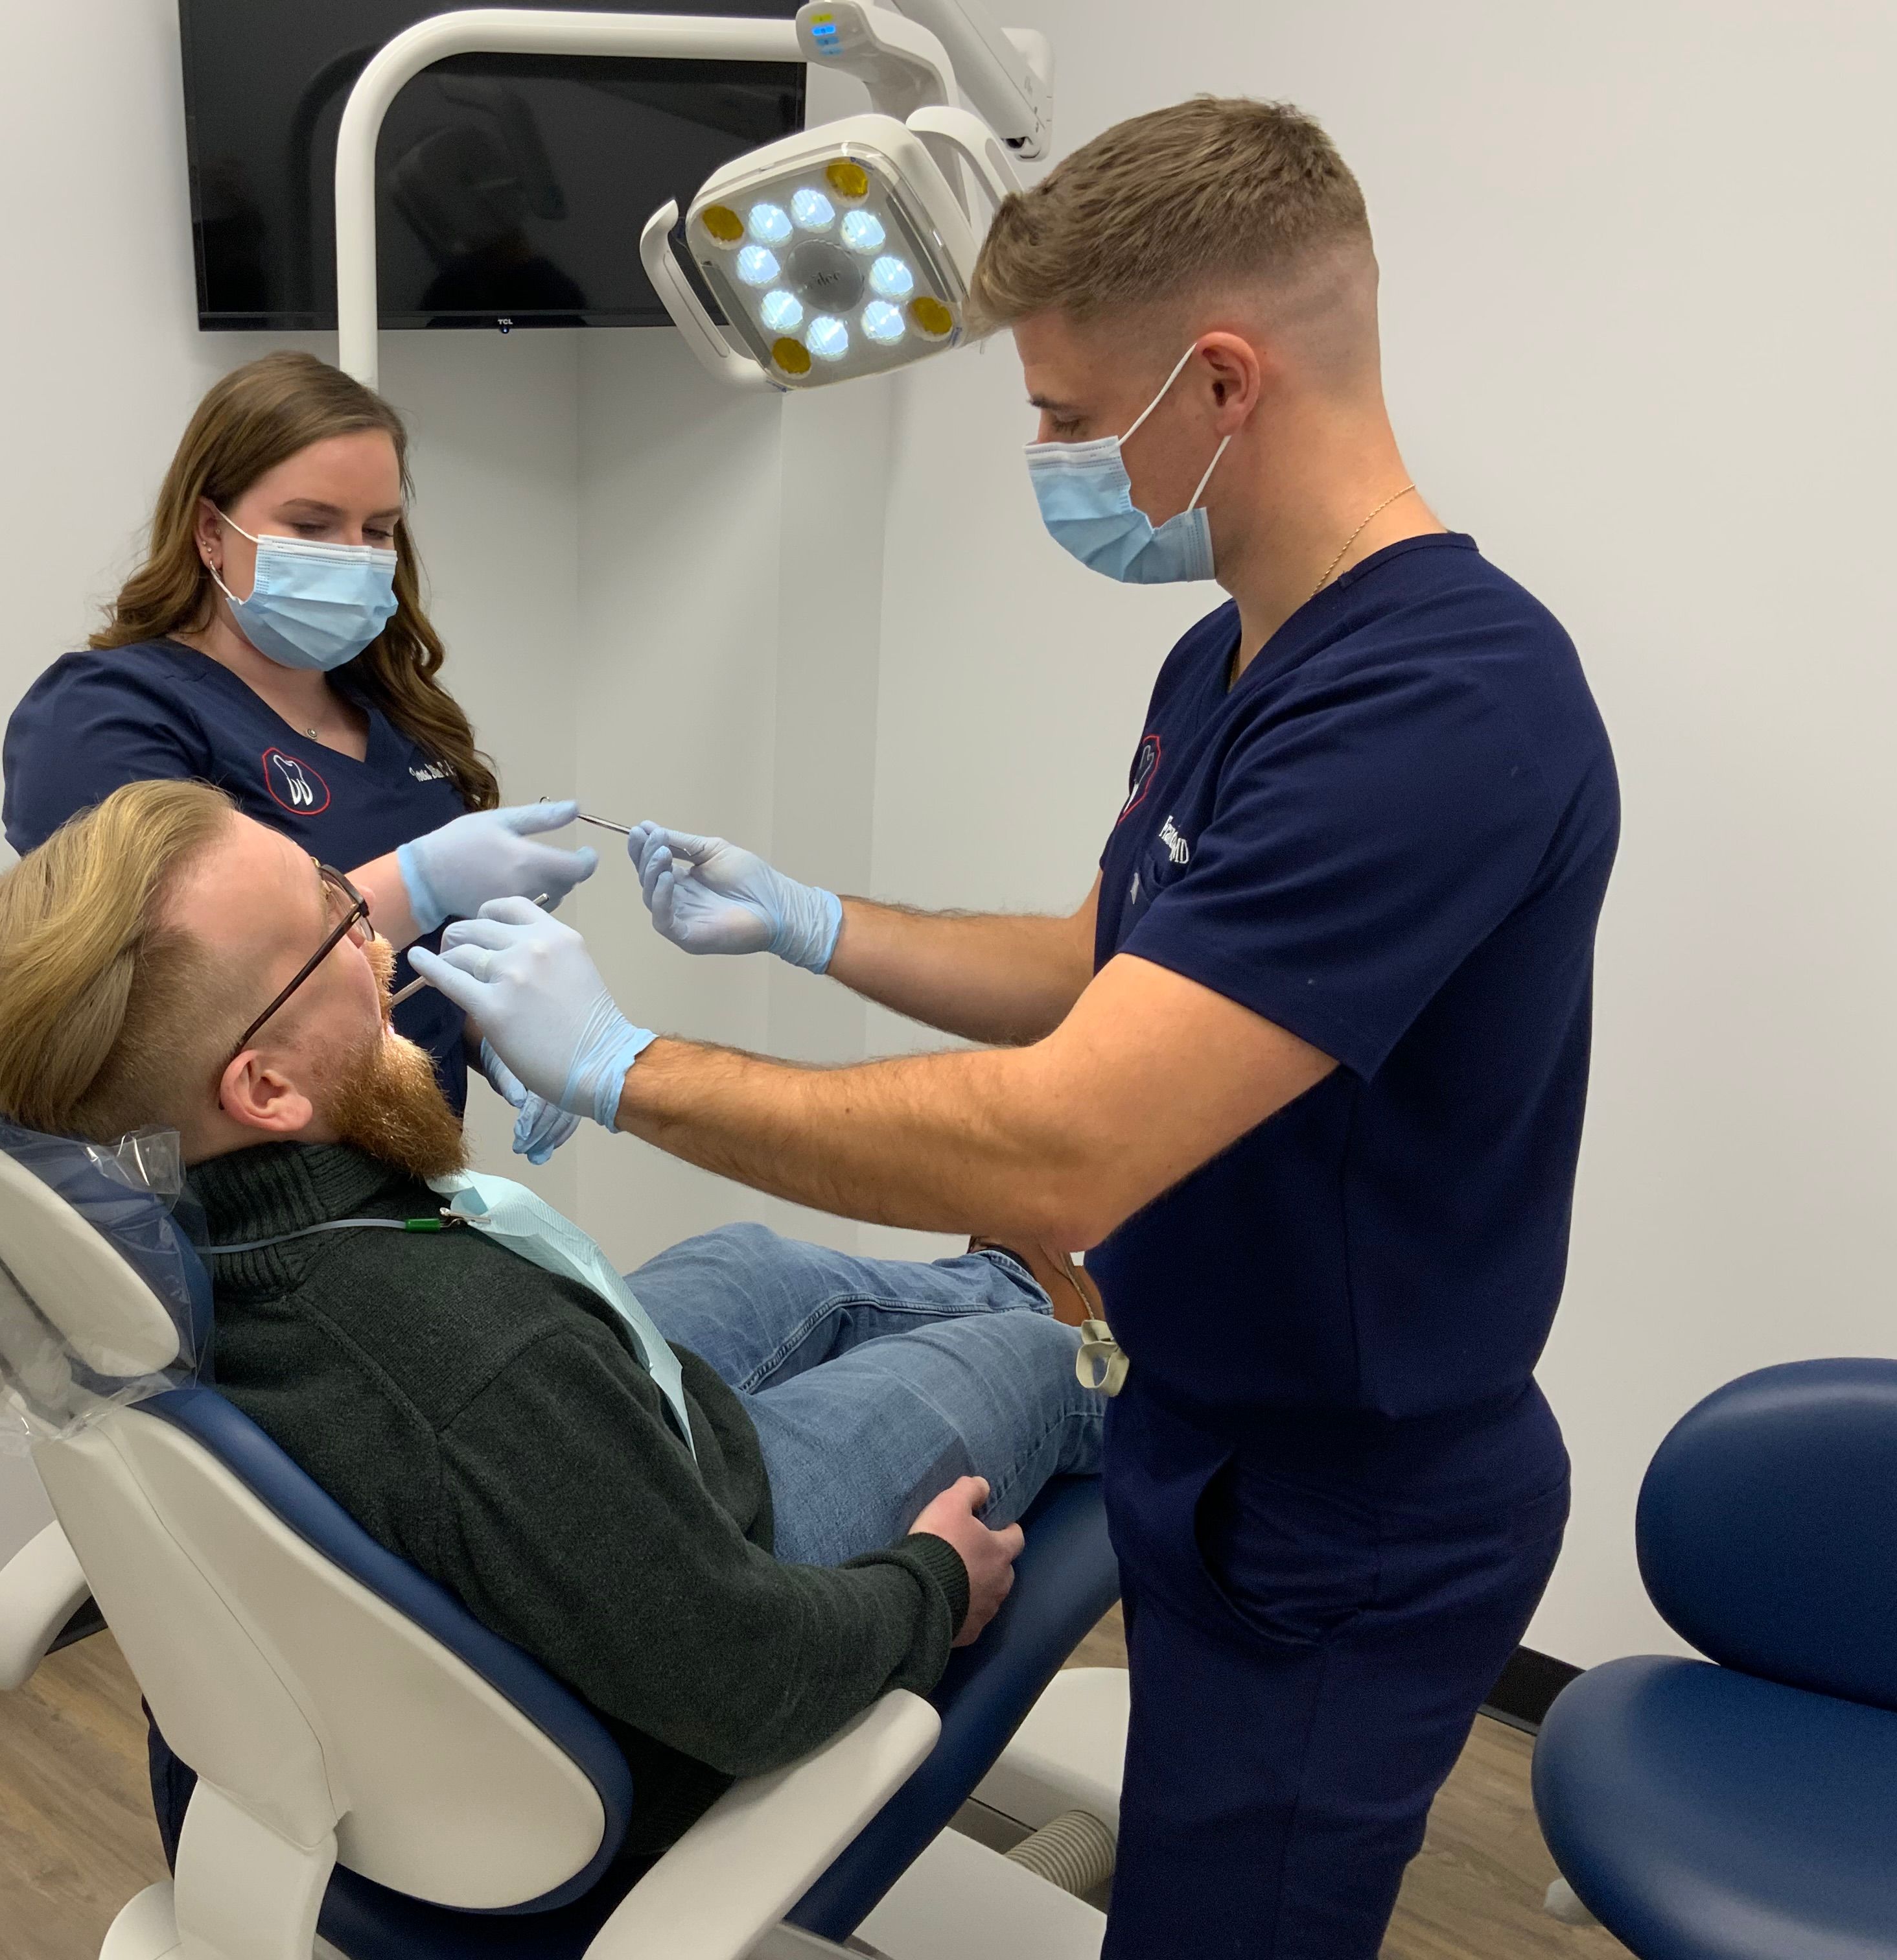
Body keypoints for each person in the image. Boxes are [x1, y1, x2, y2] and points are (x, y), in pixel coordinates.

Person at [410, 99, 1618, 1959]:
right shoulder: (1227, 655)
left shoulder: (1440, 706)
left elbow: (1069, 1137)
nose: (1046, 458)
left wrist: (628, 1071)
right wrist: (816, 924)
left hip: (1349, 1503)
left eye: (1064, 417)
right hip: (1189, 1417)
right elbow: (1101, 962)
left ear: (1222, 382)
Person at [0, 778, 1106, 1865]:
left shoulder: (182, 1226)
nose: (379, 940)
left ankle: (1005, 1271)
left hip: (575, 1481)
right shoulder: (474, 1366)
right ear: (265, 1088)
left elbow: (498, 1374)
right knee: (1044, 1359)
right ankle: (1060, 1325)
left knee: (747, 1259)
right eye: (336, 926)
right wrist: (933, 1582)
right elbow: (746, 1677)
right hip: (714, 1602)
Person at [0, 349, 597, 1141]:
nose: (354, 556)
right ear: (212, 531)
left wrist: (504, 1035)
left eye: (377, 530)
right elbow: (164, 989)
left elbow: (427, 963)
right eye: (313, 526)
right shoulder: (109, 712)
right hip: (234, 1192)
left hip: (402, 1174)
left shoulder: (393, 716)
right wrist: (418, 881)